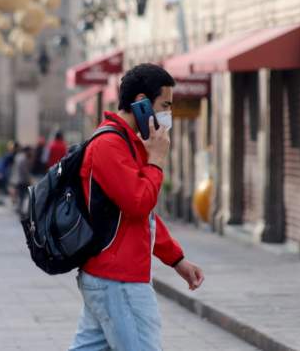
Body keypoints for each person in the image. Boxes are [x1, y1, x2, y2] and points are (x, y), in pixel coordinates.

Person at [69, 64, 205, 351]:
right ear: (141, 102)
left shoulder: (128, 143)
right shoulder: (109, 145)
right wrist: (156, 160)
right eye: (165, 105)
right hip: (119, 279)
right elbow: (138, 204)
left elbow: (145, 218)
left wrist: (176, 260)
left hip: (110, 276)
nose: (169, 114)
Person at [8, 146, 32, 214]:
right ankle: (20, 208)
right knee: (22, 195)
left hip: (17, 178)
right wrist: (28, 179)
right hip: (22, 180)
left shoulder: (18, 156)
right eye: (30, 151)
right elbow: (24, 170)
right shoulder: (23, 158)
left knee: (20, 194)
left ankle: (19, 207)